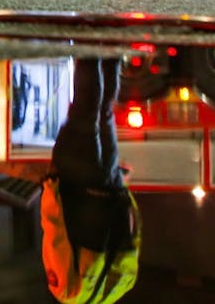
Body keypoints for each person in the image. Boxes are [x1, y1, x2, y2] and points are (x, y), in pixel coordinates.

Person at [40, 57, 140, 302]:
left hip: (111, 184)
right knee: (85, 108)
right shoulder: (67, 293)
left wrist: (122, 190)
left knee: (104, 112)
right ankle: (89, 43)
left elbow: (133, 233)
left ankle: (112, 49)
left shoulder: (120, 289)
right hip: (79, 184)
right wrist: (51, 190)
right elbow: (56, 238)